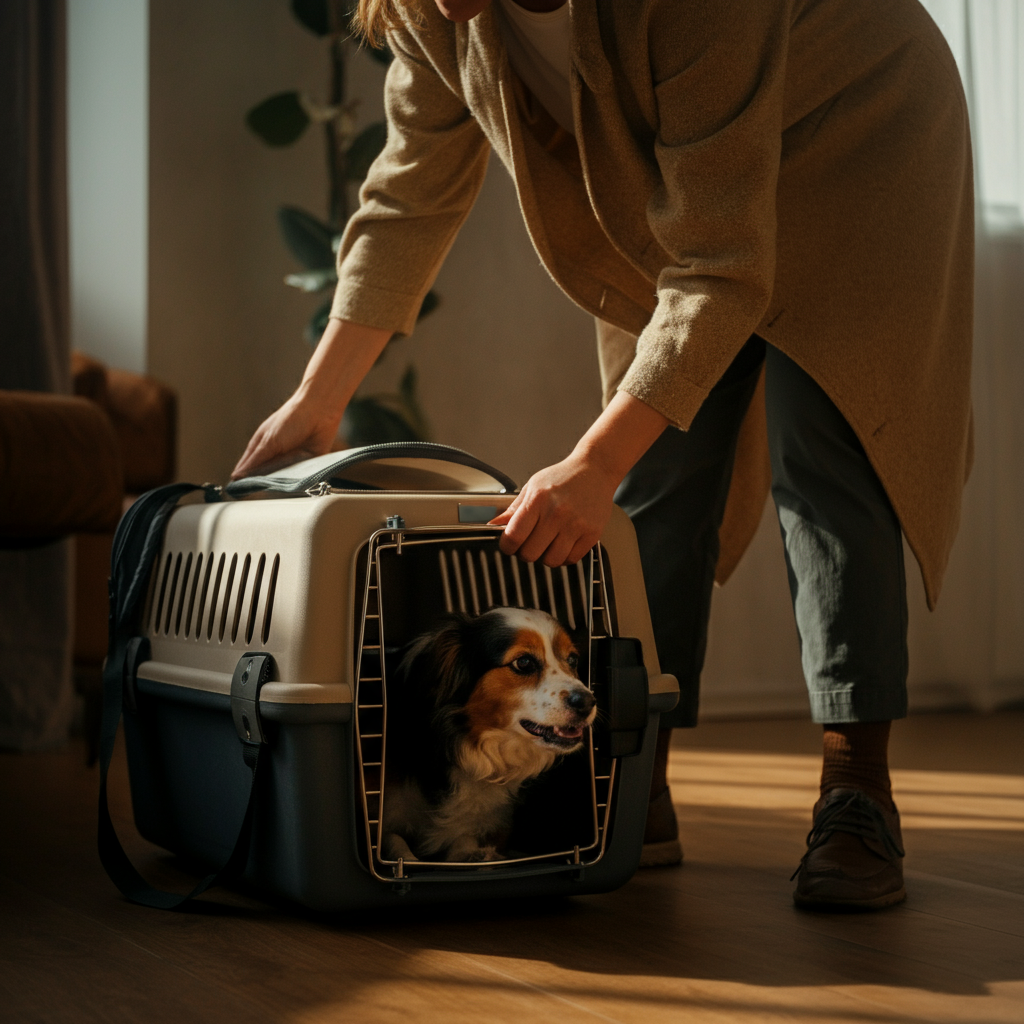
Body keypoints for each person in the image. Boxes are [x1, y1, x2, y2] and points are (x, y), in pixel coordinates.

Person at [233, 0, 974, 909]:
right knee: (657, 479)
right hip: (708, 191)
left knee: (826, 461)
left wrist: (589, 464)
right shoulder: (433, 12)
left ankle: (856, 791)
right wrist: (317, 402)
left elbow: (720, 264)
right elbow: (407, 196)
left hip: (861, 131)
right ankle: (636, 775)